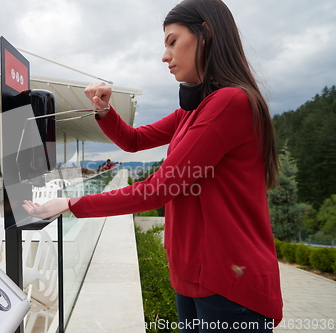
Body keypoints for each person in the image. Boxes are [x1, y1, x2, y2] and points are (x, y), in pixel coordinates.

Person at [23, 0, 283, 331]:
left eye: (173, 41)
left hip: (231, 282)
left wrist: (71, 203)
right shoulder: (194, 110)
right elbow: (134, 141)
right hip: (195, 276)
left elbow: (161, 188)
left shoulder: (229, 103)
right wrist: (104, 110)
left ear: (206, 34)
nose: (165, 56)